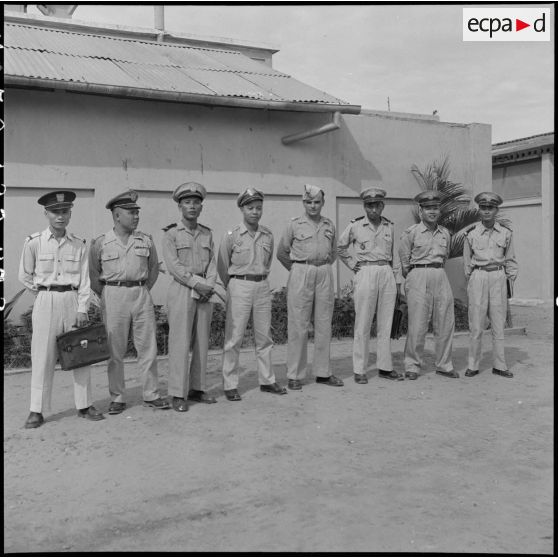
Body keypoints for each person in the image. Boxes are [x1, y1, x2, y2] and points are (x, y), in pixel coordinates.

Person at [19, 190, 104, 428]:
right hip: (46, 301)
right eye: (55, 212)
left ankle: (85, 405)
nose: (60, 216)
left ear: (70, 214)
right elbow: (24, 275)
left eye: (65, 211)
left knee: (81, 353)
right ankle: (36, 410)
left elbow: (85, 280)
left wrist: (82, 308)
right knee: (42, 356)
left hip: (72, 300)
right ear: (45, 213)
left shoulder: (78, 245)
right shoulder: (34, 242)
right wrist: (43, 294)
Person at [89, 190, 169, 414]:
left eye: (137, 212)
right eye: (130, 212)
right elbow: (94, 275)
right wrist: (108, 294)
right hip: (113, 295)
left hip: (141, 293)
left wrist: (141, 288)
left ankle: (151, 393)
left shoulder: (145, 240)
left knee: (148, 347)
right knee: (115, 350)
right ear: (116, 215)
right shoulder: (101, 243)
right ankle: (117, 397)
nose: (136, 216)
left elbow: (153, 269)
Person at [217, 188, 287, 401]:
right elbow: (222, 265)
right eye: (250, 208)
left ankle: (267, 380)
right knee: (234, 338)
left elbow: (267, 263)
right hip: (239, 285)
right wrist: (234, 285)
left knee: (264, 337)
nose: (255, 212)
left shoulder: (267, 235)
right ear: (242, 209)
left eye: (258, 208)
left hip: (262, 286)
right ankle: (230, 384)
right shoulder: (232, 235)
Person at [276, 184, 342, 390]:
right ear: (303, 203)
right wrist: (299, 270)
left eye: (316, 202)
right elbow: (282, 253)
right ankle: (295, 374)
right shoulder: (294, 225)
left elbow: (333, 252)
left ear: (323, 203)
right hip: (300, 272)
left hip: (323, 272)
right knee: (298, 325)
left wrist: (319, 268)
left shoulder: (329, 225)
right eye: (308, 202)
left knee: (324, 323)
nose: (313, 206)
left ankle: (323, 372)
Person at [162, 182, 219, 412]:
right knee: (180, 341)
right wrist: (197, 284)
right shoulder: (171, 234)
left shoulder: (207, 233)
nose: (192, 206)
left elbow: (214, 262)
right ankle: (177, 393)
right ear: (180, 206)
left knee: (202, 341)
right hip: (183, 289)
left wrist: (209, 285)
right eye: (187, 202)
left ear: (201, 207)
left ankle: (198, 387)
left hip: (205, 289)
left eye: (196, 202)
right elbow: (174, 266)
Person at [338, 187, 403, 383]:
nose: (373, 209)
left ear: (382, 206)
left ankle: (385, 367)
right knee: (363, 322)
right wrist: (352, 264)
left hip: (385, 272)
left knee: (386, 323)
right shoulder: (356, 226)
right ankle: (360, 369)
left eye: (376, 205)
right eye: (369, 205)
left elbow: (395, 256)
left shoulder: (389, 226)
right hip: (365, 272)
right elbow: (340, 246)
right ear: (365, 206)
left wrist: (397, 282)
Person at [398, 191, 456, 380]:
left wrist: (434, 269)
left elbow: (445, 256)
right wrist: (416, 274)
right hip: (418, 274)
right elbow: (404, 260)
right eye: (428, 208)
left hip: (440, 274)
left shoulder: (445, 233)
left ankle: (444, 364)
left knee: (445, 321)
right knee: (417, 324)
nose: (432, 212)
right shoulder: (411, 232)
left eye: (435, 208)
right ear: (420, 210)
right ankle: (412, 365)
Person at [463, 192, 518, 378]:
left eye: (490, 208)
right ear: (479, 209)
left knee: (498, 323)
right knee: (476, 324)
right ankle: (473, 364)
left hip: (498, 277)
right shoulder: (470, 234)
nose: (486, 211)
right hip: (478, 276)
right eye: (483, 208)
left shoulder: (505, 233)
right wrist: (472, 281)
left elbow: (510, 260)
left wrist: (509, 280)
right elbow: (466, 264)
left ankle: (500, 365)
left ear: (496, 210)